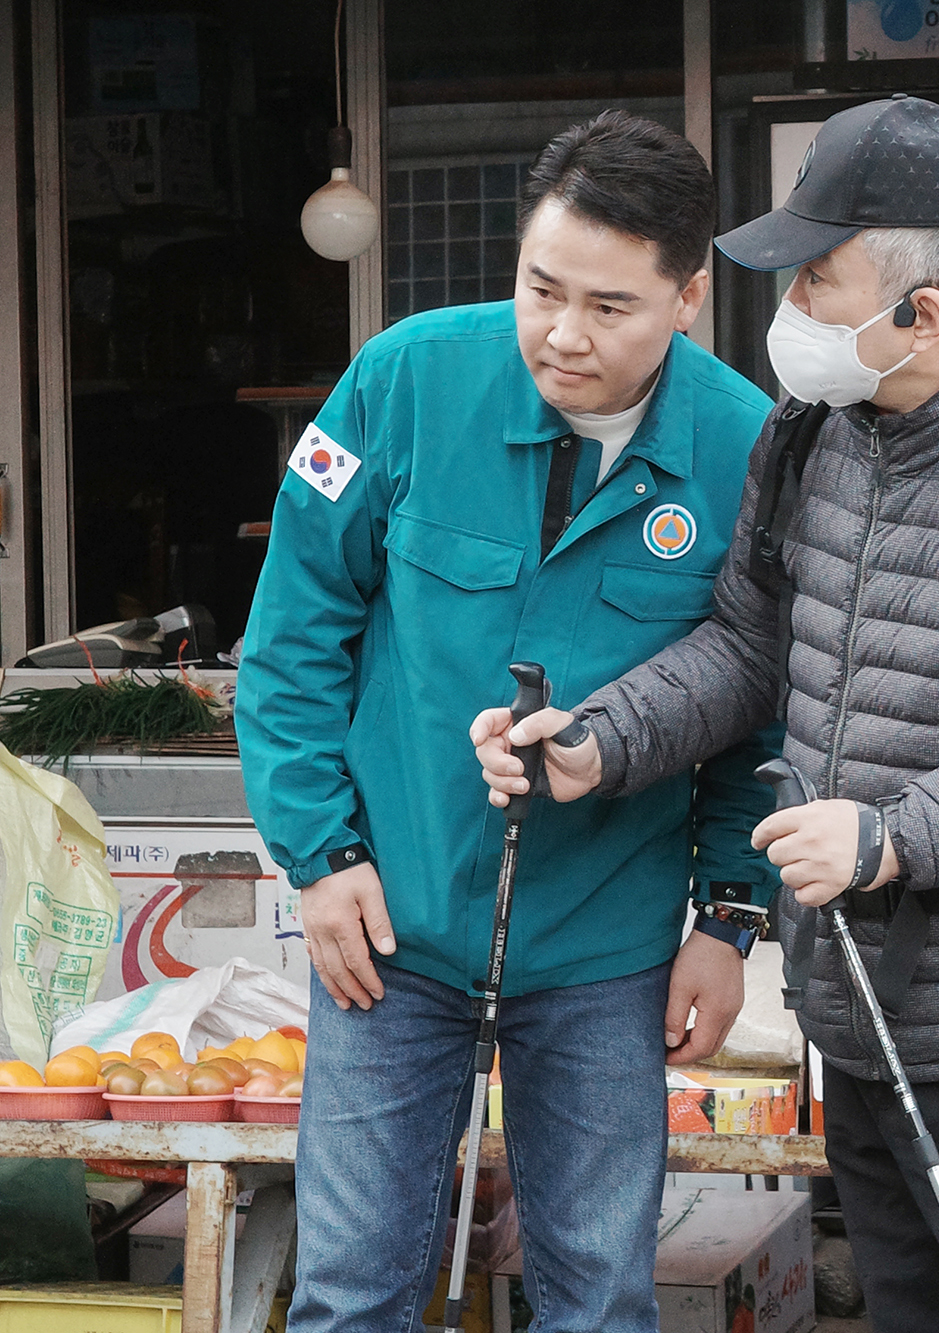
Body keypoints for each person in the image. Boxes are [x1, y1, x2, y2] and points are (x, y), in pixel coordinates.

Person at [475, 96, 939, 1332]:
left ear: (919, 313)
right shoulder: (811, 443)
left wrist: (893, 835)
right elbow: (750, 647)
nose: (787, 310)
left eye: (816, 281)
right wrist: (603, 740)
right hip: (858, 1013)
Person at [238, 111, 781, 1333]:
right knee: (349, 1290)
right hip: (391, 930)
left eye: (610, 306)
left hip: (606, 947)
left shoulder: (745, 448)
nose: (563, 335)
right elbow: (291, 638)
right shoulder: (402, 380)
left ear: (687, 298)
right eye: (542, 288)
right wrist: (320, 859)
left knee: (596, 1296)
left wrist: (731, 918)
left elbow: (757, 701)